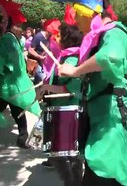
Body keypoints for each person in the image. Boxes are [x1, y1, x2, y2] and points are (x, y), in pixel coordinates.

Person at [33, 0, 127, 186]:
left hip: (117, 127)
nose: (74, 19)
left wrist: (75, 69)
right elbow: (79, 87)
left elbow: (111, 58)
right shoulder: (96, 40)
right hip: (102, 126)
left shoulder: (116, 33)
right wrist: (49, 87)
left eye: (76, 11)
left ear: (88, 9)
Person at [36, 24, 84, 183]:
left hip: (67, 110)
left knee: (67, 154)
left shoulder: (74, 58)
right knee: (63, 154)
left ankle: (72, 183)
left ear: (67, 39)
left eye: (59, 35)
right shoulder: (65, 56)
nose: (56, 38)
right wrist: (45, 86)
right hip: (59, 108)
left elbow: (70, 88)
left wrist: (47, 87)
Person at [0, 0, 41, 147]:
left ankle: (27, 138)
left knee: (18, 109)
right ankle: (23, 138)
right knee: (18, 110)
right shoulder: (12, 38)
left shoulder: (6, 39)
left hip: (9, 84)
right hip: (15, 84)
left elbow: (4, 62)